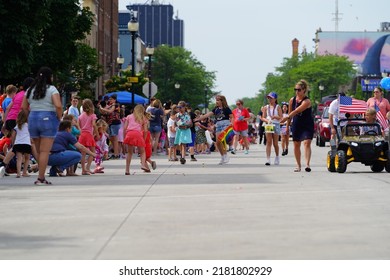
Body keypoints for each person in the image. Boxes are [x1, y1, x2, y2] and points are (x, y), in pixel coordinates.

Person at [22, 66, 63, 185]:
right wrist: (59, 117)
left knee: (39, 151)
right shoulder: (52, 89)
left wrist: (29, 117)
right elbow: (58, 105)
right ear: (50, 77)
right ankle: (41, 177)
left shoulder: (30, 89)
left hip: (33, 117)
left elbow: (24, 107)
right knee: (45, 151)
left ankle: (40, 176)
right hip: (48, 118)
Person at [281, 79, 314, 172]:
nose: (297, 91)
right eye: (295, 89)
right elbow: (290, 112)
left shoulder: (307, 101)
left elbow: (296, 111)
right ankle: (298, 165)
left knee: (307, 142)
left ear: (304, 90)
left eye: (299, 90)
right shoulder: (292, 100)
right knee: (296, 144)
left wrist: (286, 117)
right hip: (297, 123)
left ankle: (307, 164)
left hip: (307, 124)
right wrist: (287, 126)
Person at [195, 94, 233, 165]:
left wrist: (232, 124)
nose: (216, 102)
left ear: (222, 101)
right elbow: (208, 114)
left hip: (225, 125)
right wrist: (199, 118)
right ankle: (223, 156)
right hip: (218, 125)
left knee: (221, 140)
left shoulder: (226, 109)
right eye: (216, 100)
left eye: (218, 100)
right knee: (218, 143)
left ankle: (225, 155)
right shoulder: (215, 109)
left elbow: (231, 117)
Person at [123, 104, 150, 174]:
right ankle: (143, 165)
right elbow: (146, 130)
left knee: (129, 152)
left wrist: (124, 138)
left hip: (129, 134)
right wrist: (143, 139)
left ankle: (127, 170)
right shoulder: (143, 118)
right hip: (138, 134)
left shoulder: (129, 116)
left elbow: (125, 128)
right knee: (142, 151)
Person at [261, 92, 282, 165]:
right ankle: (268, 159)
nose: (269, 99)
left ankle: (277, 157)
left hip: (275, 124)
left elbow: (281, 117)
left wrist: (275, 117)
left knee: (275, 143)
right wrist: (267, 120)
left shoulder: (278, 107)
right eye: (268, 98)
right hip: (269, 124)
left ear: (275, 99)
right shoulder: (266, 107)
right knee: (268, 141)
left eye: (271, 98)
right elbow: (262, 117)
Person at [78, 99, 98, 175]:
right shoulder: (92, 115)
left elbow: (79, 126)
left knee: (83, 153)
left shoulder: (80, 116)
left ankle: (83, 169)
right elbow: (93, 125)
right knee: (92, 152)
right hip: (89, 134)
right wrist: (97, 133)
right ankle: (88, 167)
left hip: (82, 134)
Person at [99, 94, 121, 159]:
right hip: (111, 123)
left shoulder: (115, 105)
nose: (110, 100)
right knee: (112, 138)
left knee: (115, 139)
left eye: (111, 99)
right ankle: (115, 153)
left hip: (115, 122)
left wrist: (102, 108)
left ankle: (116, 154)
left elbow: (110, 111)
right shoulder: (110, 105)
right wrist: (101, 108)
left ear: (114, 99)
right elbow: (105, 111)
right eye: (109, 99)